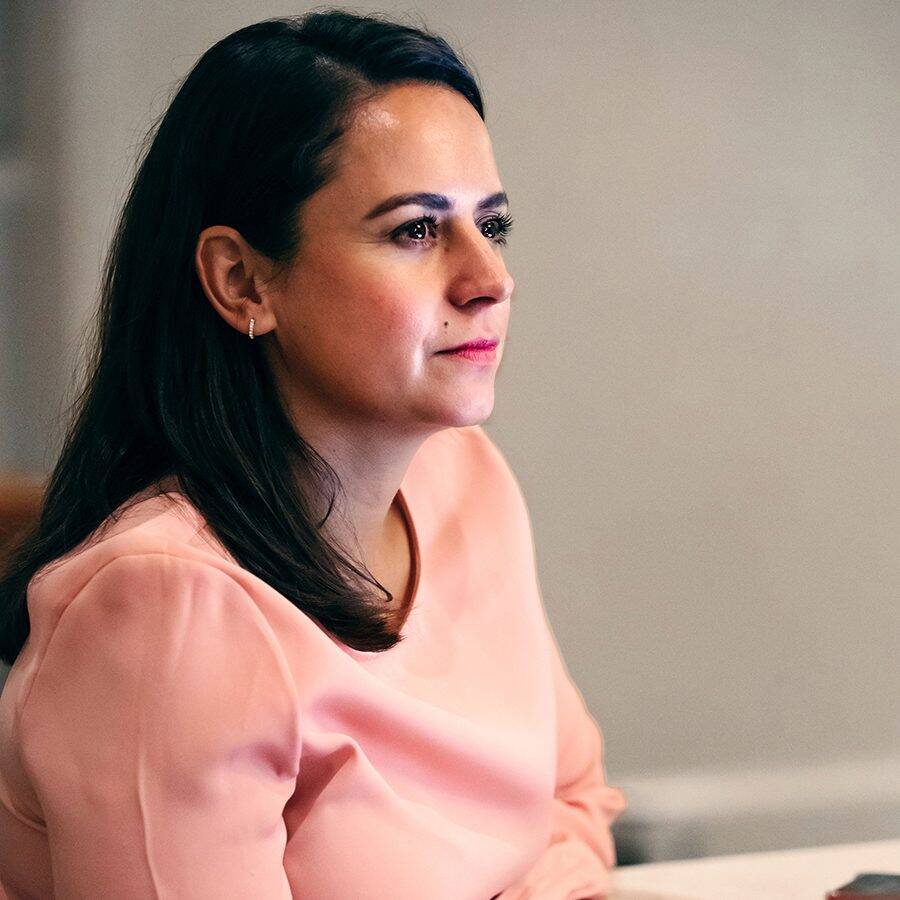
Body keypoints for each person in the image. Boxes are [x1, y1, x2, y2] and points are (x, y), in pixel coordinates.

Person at [0, 9, 627, 898]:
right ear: (242, 280)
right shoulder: (170, 606)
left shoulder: (465, 477)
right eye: (414, 230)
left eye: (492, 224)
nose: (489, 280)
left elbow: (574, 803)